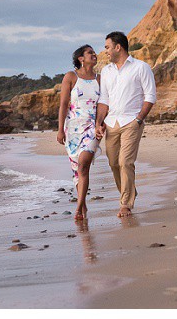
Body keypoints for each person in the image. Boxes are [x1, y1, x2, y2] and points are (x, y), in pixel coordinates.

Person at [95, 31, 156, 218]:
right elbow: (104, 99)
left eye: (107, 47)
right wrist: (99, 122)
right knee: (113, 163)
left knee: (125, 162)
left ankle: (126, 204)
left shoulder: (141, 67)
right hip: (111, 123)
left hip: (132, 121)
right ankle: (130, 191)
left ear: (118, 47)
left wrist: (139, 119)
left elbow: (150, 96)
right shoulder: (106, 71)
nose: (105, 51)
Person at [56, 44, 101, 220]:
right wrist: (60, 130)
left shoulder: (100, 78)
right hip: (73, 128)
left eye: (94, 52)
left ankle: (79, 206)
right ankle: (83, 204)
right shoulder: (70, 77)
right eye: (90, 53)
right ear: (81, 58)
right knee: (77, 169)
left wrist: (100, 123)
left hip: (92, 127)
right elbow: (63, 105)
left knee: (83, 165)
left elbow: (104, 104)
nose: (94, 54)